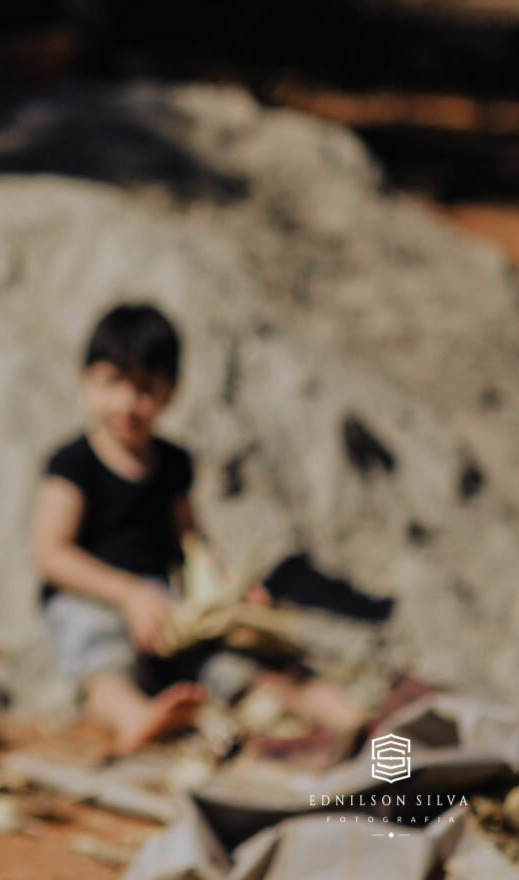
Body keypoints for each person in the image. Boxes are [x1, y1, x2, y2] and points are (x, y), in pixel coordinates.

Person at [31, 304, 366, 752]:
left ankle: (346, 717)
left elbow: (190, 541)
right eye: (114, 383)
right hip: (91, 598)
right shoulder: (73, 464)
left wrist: (229, 590)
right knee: (103, 669)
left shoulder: (173, 463)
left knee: (232, 663)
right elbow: (52, 555)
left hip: (166, 605)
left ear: (172, 392)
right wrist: (129, 595)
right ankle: (136, 719)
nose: (129, 404)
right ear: (86, 383)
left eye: (146, 388)